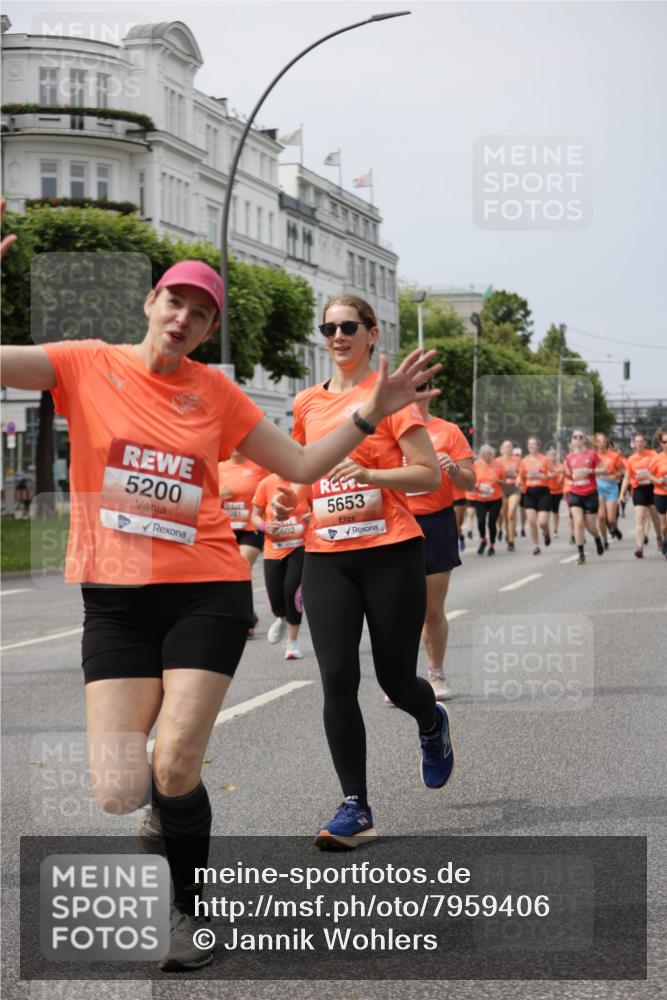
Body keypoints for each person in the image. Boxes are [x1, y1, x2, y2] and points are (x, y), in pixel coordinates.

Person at [0, 215, 442, 966]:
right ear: (150, 303)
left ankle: (184, 914)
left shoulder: (218, 394)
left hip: (205, 587)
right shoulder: (84, 364)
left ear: (208, 329)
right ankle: (165, 819)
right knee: (117, 789)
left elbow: (302, 466)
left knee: (174, 761)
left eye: (201, 313)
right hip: (113, 598)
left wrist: (372, 410)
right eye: (175, 302)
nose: (184, 318)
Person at [284, 294, 453, 851]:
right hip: (327, 555)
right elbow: (303, 473)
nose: (337, 335)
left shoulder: (389, 401)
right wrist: (291, 498)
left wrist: (373, 476)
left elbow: (428, 476)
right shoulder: (306, 403)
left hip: (390, 553)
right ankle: (354, 806)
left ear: (372, 333)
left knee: (395, 679)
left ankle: (431, 722)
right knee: (336, 677)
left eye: (348, 326)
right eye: (329, 327)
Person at [404, 382, 475, 700]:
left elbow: (471, 480)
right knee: (398, 609)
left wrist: (454, 470)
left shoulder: (448, 431)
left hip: (436, 523)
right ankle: (402, 679)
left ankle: (436, 673)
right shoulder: (389, 429)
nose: (417, 394)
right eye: (410, 388)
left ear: (433, 393)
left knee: (432, 607)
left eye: (423, 388)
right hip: (398, 523)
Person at [251, 474, 310, 659]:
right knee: (276, 596)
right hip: (273, 549)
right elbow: (254, 515)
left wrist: (312, 517)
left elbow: (319, 509)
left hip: (300, 547)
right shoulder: (265, 483)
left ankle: (292, 644)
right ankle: (281, 617)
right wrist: (264, 526)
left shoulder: (305, 481)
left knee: (292, 591)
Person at [218, 449, 268, 635]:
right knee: (229, 573)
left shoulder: (259, 467)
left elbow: (276, 483)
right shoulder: (218, 468)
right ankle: (248, 612)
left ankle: (244, 617)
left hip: (250, 528)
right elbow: (204, 496)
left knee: (242, 566)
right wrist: (218, 495)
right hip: (226, 529)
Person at [563, 430, 605, 565]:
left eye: (580, 437)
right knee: (579, 522)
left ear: (584, 440)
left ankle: (597, 538)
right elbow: (567, 473)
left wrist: (590, 471)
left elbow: (605, 469)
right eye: (575, 437)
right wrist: (569, 475)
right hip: (575, 493)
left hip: (590, 494)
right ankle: (581, 554)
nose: (578, 439)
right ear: (572, 440)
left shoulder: (592, 454)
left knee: (591, 527)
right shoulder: (569, 457)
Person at [619, 433, 658, 558]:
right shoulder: (631, 459)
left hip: (653, 488)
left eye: (642, 441)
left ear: (645, 443)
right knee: (640, 518)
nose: (639, 443)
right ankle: (639, 547)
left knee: (656, 518)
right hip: (639, 489)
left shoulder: (653, 455)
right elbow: (627, 478)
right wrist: (622, 494)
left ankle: (659, 537)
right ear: (634, 444)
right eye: (637, 441)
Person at [517, 436, 554, 554]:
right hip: (529, 492)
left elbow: (554, 473)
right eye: (529, 444)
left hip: (543, 491)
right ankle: (535, 545)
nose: (532, 446)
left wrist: (546, 476)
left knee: (542, 522)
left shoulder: (545, 459)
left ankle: (546, 532)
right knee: (531, 521)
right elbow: (520, 475)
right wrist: (518, 480)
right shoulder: (524, 461)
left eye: (534, 444)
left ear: (538, 446)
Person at [467, 444, 504, 555]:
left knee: (492, 522)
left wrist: (497, 480)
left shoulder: (498, 465)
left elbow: (505, 481)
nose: (488, 457)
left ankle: (492, 545)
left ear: (492, 454)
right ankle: (483, 539)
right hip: (480, 498)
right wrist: (476, 486)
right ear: (482, 455)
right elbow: (471, 479)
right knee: (481, 521)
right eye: (485, 455)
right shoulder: (476, 465)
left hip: (495, 498)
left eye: (489, 455)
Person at [593, 433, 624, 547]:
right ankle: (605, 540)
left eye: (602, 440)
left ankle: (615, 528)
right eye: (598, 441)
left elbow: (621, 471)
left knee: (611, 519)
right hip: (598, 488)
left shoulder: (614, 456)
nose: (601, 443)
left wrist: (615, 475)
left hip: (611, 488)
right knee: (601, 517)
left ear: (606, 442)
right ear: (595, 443)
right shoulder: (593, 456)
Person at [497, 439, 521, 551]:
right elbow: (493, 475)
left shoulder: (517, 460)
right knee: (504, 515)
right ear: (501, 449)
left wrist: (519, 478)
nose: (508, 449)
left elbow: (521, 473)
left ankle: (511, 541)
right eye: (506, 447)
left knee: (511, 514)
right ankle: (507, 533)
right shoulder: (497, 461)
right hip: (501, 489)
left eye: (510, 447)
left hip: (514, 489)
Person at [649, 431, 667, 557]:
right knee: (664, 524)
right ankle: (664, 540)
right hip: (660, 492)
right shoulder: (656, 458)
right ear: (661, 443)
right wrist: (657, 480)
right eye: (665, 442)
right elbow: (649, 474)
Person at [546, 447, 564, 538]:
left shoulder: (559, 465)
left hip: (557, 491)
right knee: (546, 511)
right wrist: (550, 475)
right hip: (547, 491)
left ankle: (555, 530)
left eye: (554, 455)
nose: (552, 457)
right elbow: (545, 475)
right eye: (550, 455)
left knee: (555, 511)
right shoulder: (545, 465)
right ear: (547, 456)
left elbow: (561, 475)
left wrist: (558, 478)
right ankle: (546, 529)